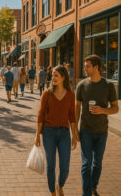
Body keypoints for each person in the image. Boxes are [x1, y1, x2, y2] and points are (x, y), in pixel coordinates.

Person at [75, 55, 119, 196]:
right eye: (84, 66)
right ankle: (86, 193)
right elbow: (76, 108)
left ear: (96, 67)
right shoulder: (81, 85)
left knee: (97, 163)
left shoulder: (108, 85)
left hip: (102, 131)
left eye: (87, 66)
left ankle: (93, 186)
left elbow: (115, 108)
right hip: (86, 130)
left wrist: (102, 110)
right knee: (86, 164)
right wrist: (75, 128)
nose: (84, 68)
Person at [35, 65, 78, 196]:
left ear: (63, 77)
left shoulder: (71, 94)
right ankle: (52, 191)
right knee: (51, 166)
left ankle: (60, 184)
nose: (52, 78)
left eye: (56, 75)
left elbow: (72, 116)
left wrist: (74, 135)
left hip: (64, 133)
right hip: (49, 133)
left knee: (65, 167)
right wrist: (37, 135)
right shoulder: (47, 94)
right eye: (52, 75)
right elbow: (40, 114)